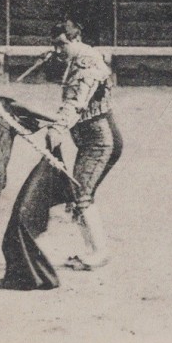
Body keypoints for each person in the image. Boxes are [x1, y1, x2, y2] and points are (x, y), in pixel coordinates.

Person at [44, 19, 123, 269]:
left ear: (75, 39)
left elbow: (77, 102)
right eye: (54, 46)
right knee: (78, 194)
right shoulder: (79, 58)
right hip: (92, 140)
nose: (58, 51)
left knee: (81, 194)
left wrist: (58, 128)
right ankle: (93, 251)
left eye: (61, 45)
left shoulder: (86, 62)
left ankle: (99, 253)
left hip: (100, 141)